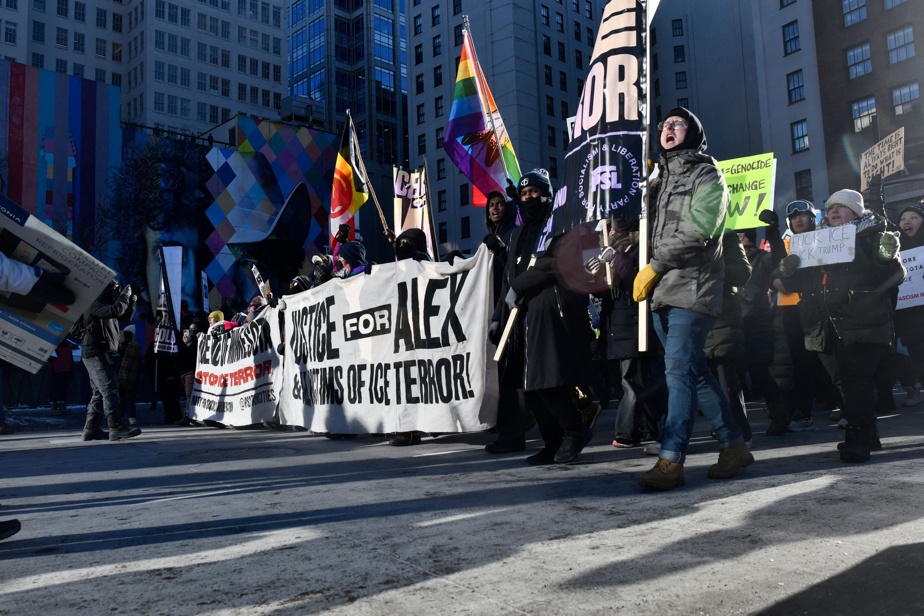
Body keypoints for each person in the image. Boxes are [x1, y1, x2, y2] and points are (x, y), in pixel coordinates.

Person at [633, 107, 751, 490]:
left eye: (677, 124)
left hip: (693, 287)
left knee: (678, 374)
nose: (668, 129)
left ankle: (671, 459)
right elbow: (643, 232)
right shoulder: (657, 180)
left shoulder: (707, 174)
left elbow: (700, 229)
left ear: (694, 133)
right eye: (664, 125)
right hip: (661, 291)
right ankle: (734, 445)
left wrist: (654, 266)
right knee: (694, 373)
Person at [777, 189, 905, 462]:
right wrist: (789, 272)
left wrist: (887, 257)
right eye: (830, 207)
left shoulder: (871, 236)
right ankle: (868, 435)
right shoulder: (816, 242)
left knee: (855, 381)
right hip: (827, 325)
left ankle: (858, 439)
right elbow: (800, 284)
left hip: (862, 322)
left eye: (841, 207)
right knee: (847, 383)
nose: (834, 211)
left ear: (856, 212)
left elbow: (895, 274)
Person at [491, 168, 594, 465]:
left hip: (548, 311)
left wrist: (521, 286)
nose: (528, 198)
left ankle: (574, 430)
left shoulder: (559, 226)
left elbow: (554, 263)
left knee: (546, 381)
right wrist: (498, 316)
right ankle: (552, 442)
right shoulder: (518, 233)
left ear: (547, 195)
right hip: (520, 318)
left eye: (534, 192)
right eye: (524, 194)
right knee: (528, 385)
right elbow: (508, 280)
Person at [587, 220, 667, 449]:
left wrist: (616, 260)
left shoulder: (641, 249)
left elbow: (637, 283)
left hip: (635, 325)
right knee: (631, 382)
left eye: (613, 228)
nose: (609, 232)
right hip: (614, 329)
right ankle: (647, 428)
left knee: (631, 381)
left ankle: (627, 432)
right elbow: (602, 293)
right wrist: (595, 275)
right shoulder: (609, 253)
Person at [482, 191, 531, 454]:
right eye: (491, 205)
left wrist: (501, 252)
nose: (495, 208)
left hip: (515, 313)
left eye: (500, 204)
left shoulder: (514, 234)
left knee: (511, 377)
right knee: (508, 376)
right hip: (500, 311)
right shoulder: (491, 236)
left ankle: (513, 434)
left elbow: (513, 272)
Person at [81, 280, 141, 441]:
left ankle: (91, 429)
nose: (116, 292)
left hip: (100, 352)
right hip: (96, 352)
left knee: (99, 393)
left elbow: (125, 316)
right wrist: (125, 294)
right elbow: (116, 310)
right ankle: (116, 427)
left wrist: (132, 298)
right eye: (115, 289)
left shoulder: (106, 306)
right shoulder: (95, 303)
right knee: (110, 390)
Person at [893, 202, 924, 407]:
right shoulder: (894, 249)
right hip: (904, 311)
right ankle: (913, 388)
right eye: (903, 219)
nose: (907, 221)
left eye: (913, 217)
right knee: (908, 351)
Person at [117, 325, 143, 425]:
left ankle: (127, 416)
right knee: (127, 398)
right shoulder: (133, 345)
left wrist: (121, 343)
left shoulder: (131, 346)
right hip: (128, 375)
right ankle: (129, 417)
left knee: (126, 398)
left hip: (126, 375)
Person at [48, 340, 76, 417]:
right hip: (57, 367)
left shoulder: (66, 344)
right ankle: (54, 407)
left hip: (65, 366)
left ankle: (61, 406)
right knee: (55, 387)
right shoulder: (55, 343)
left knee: (63, 387)